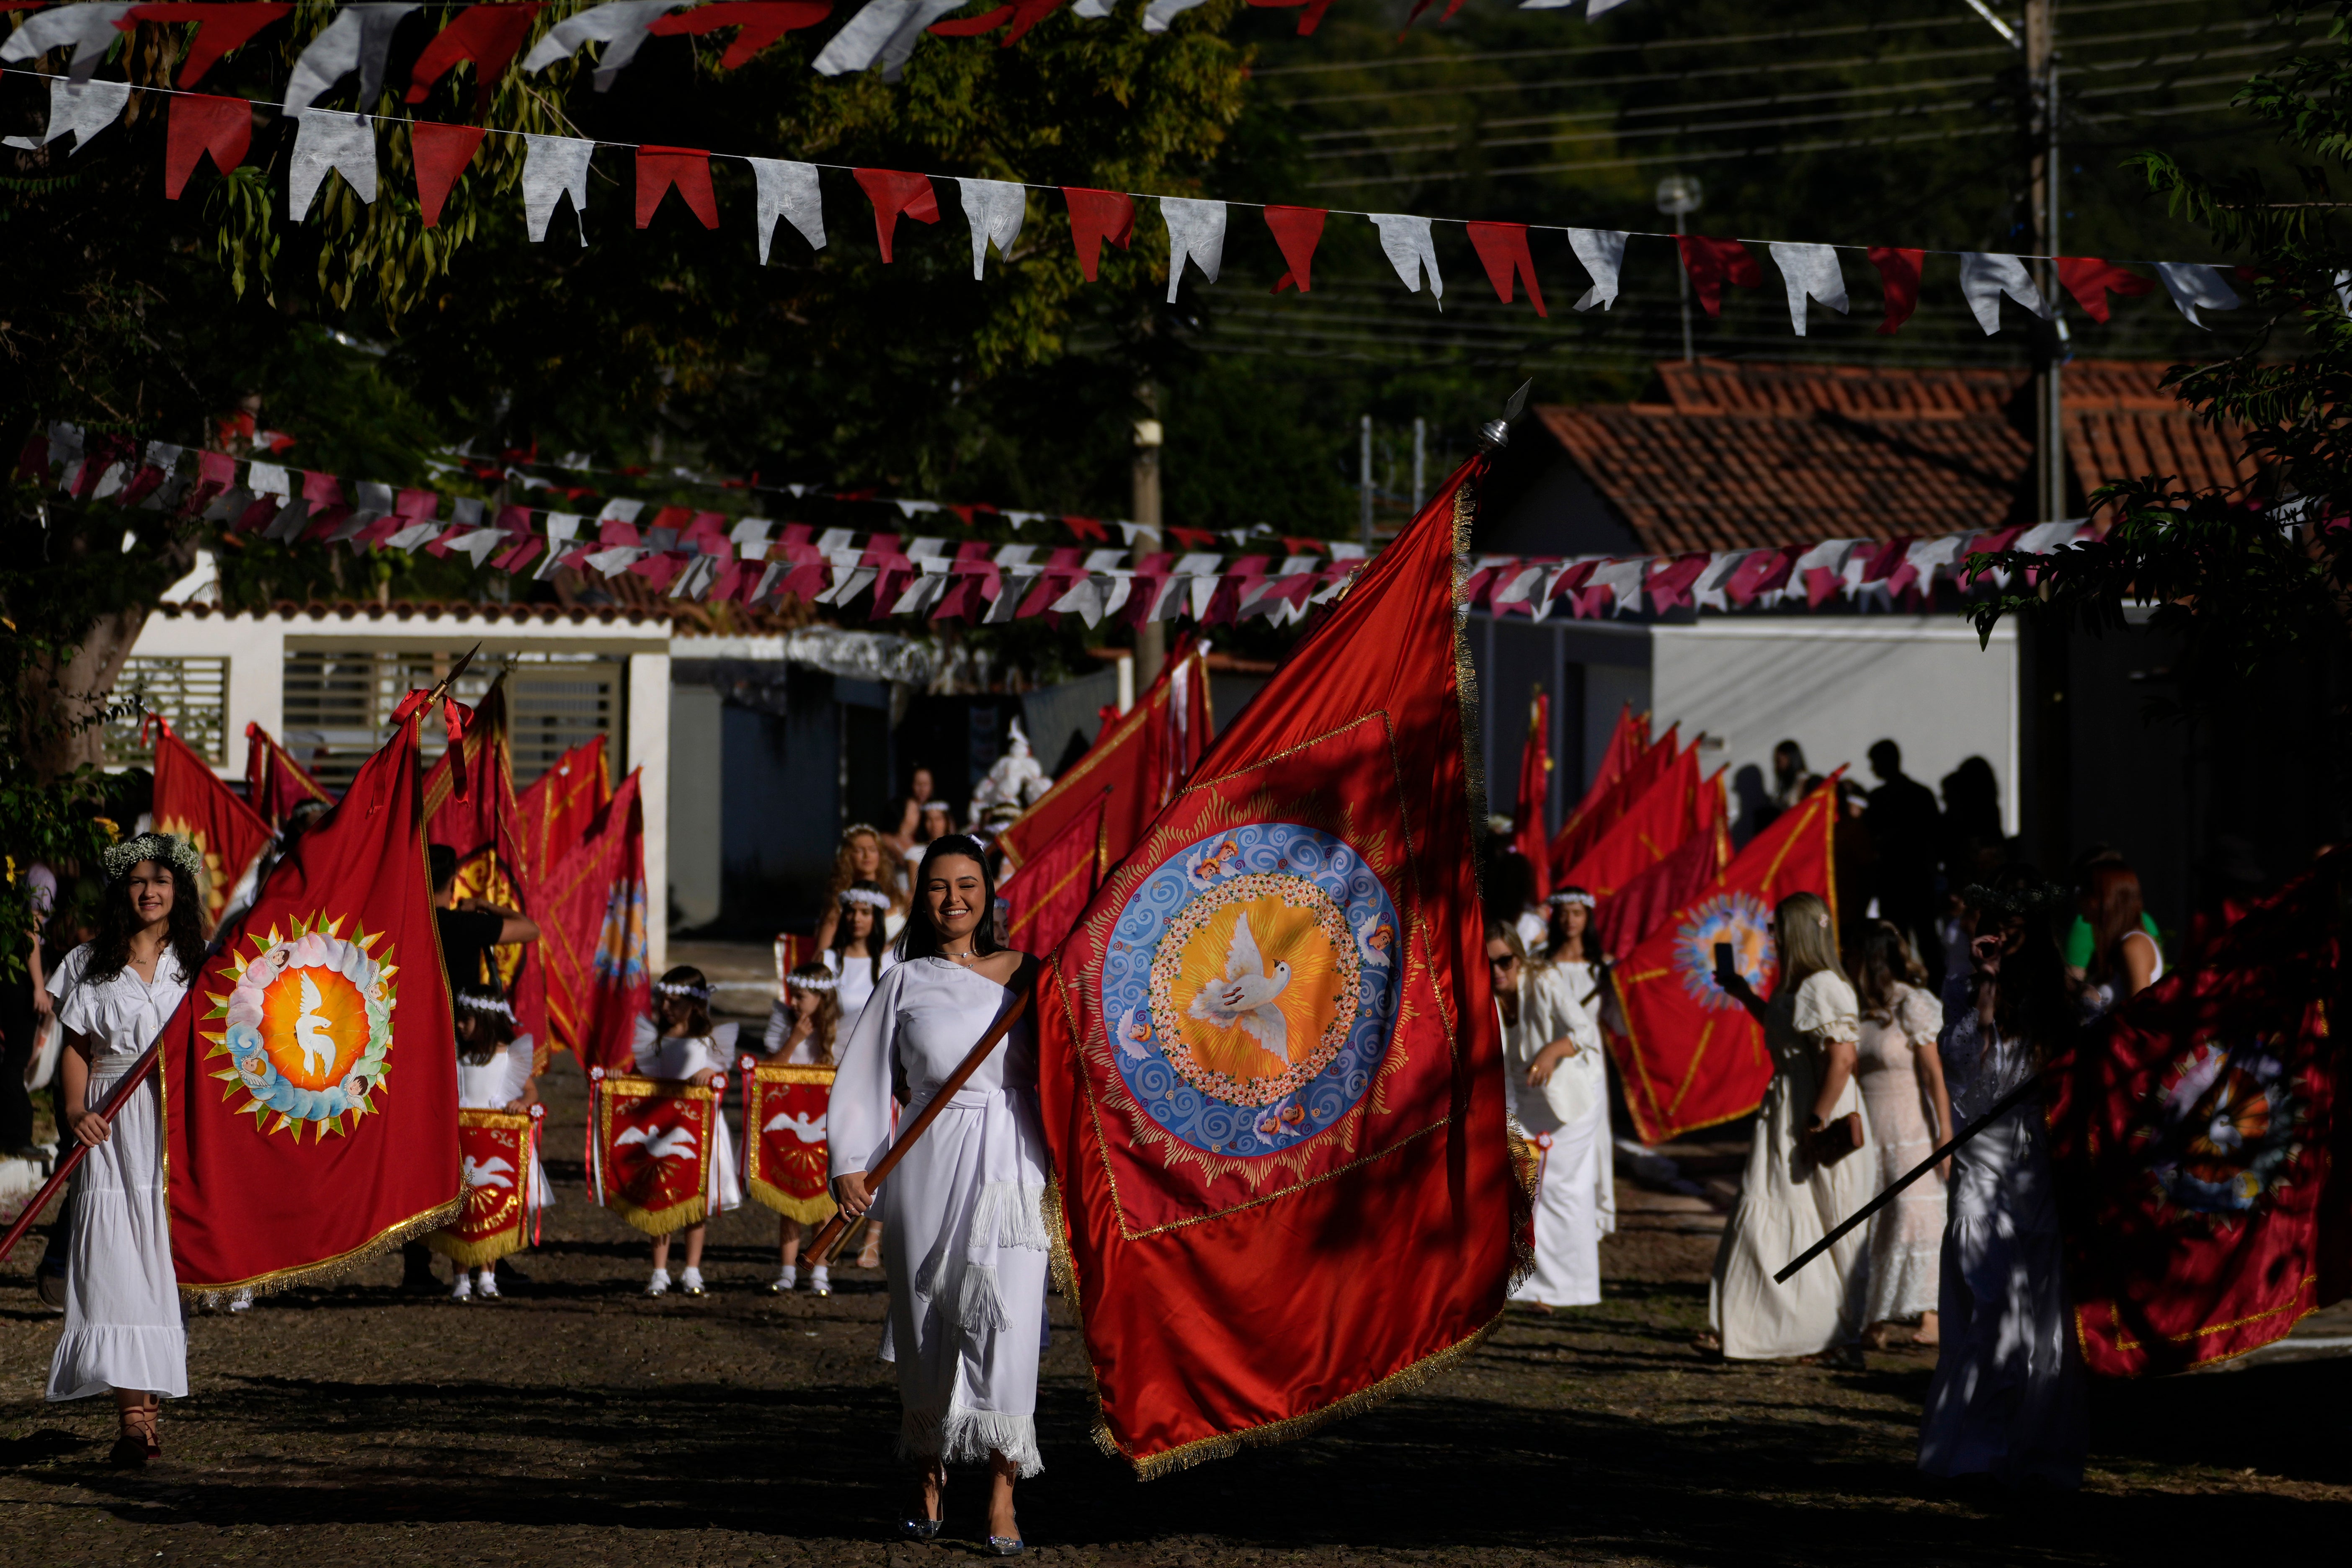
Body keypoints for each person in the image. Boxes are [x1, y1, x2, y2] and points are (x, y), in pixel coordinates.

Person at [830, 835, 1046, 1553]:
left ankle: (1001, 1492)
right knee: (925, 1318)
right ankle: (927, 1472)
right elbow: (861, 1075)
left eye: (967, 883)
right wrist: (849, 1161)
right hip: (926, 1155)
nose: (954, 898)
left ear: (989, 891)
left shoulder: (1028, 974)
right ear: (920, 897)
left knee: (1006, 1323)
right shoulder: (904, 980)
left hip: (1013, 1161)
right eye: (937, 886)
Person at [1919, 869, 2086, 1488]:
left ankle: (2031, 1449)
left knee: (2033, 1307)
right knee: (1988, 1301)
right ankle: (1975, 1452)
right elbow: (1972, 1080)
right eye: (1987, 926)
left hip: (2033, 1164)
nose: (1995, 938)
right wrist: (1986, 992)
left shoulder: (2062, 997)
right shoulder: (1963, 987)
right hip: (1980, 1161)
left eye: (2009, 928)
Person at [49, 834, 206, 1466]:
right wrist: (74, 1110)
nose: (150, 892)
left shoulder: (201, 965)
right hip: (111, 1132)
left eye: (161, 881)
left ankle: (150, 1406)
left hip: (172, 1132)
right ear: (124, 892)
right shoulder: (91, 963)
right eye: (139, 882)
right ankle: (134, 1420)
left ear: (179, 891)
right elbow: (77, 1048)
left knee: (159, 1268)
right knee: (113, 1266)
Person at [1700, 890, 1872, 1363]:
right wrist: (1744, 994)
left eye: (1778, 927)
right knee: (1771, 1210)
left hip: (1816, 1108)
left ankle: (1838, 1334)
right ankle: (1754, 1327)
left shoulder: (1824, 986)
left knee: (1827, 1217)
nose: (1772, 936)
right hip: (1788, 1106)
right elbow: (1788, 1034)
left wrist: (1815, 1120)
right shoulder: (1796, 986)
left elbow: (1843, 1059)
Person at [408, 843, 542, 1293]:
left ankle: (419, 1264)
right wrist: (484, 906)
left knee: (429, 1156)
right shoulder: (463, 923)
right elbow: (529, 930)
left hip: (418, 1048)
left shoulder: (410, 922)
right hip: (469, 1042)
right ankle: (491, 1252)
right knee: (484, 1146)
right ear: (454, 881)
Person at [1489, 923, 1609, 1311]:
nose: (1497, 971)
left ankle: (1568, 1287)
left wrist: (1552, 1052)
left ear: (1519, 958)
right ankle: (1528, 1283)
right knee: (1520, 1185)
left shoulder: (1545, 981)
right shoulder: (1482, 994)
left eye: (1505, 960)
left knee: (1559, 1189)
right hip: (1520, 1099)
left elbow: (1583, 1031)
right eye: (1488, 963)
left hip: (1567, 1100)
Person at [1851, 921, 1950, 1349]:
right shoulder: (1858, 1008)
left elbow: (1934, 1072)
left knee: (1915, 1215)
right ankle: (1872, 1316)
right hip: (1871, 1129)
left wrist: (1946, 1133)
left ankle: (1931, 1314)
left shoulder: (1915, 1004)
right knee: (1875, 1219)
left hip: (1911, 1126)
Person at [633, 966, 745, 1297]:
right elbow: (639, 1077)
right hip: (662, 1133)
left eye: (674, 1001)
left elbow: (722, 1077)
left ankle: (693, 1269)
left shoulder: (710, 1042)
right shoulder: (654, 1041)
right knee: (661, 1199)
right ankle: (659, 1270)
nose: (666, 1007)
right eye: (663, 1000)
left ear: (695, 1005)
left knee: (696, 1200)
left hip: (699, 1133)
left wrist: (710, 1072)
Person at [446, 982, 549, 1303]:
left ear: (487, 1020)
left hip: (497, 1144)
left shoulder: (508, 1058)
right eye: (460, 1019)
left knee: (493, 1207)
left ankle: (489, 1274)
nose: (460, 1025)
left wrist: (522, 1103)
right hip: (464, 1144)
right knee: (462, 1211)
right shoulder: (458, 1058)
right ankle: (461, 1275)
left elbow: (530, 1091)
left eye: (467, 1020)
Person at [825, 879, 898, 1269]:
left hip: (879, 1069)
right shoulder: (828, 960)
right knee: (843, 1147)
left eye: (865, 911)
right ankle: (835, 1229)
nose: (857, 919)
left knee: (880, 1149)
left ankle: (872, 1237)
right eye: (851, 911)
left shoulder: (890, 964)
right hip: (835, 1067)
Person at [761, 961, 842, 1295]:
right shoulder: (785, 1027)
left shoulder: (843, 1031)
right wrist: (794, 1040)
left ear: (822, 998)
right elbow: (769, 1073)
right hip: (791, 1128)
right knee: (790, 1202)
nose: (794, 1002)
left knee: (824, 1205)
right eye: (793, 996)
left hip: (828, 1128)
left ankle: (820, 1270)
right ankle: (787, 1271)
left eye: (802, 996)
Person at [1540, 885, 1616, 1238]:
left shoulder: (1603, 968)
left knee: (1587, 1140)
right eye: (1564, 913)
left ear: (1588, 918)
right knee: (1551, 1139)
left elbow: (1618, 1023)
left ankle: (1584, 1221)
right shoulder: (1540, 962)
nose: (1570, 920)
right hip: (1550, 1060)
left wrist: (1617, 991)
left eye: (1578, 913)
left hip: (1590, 1064)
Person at [1863, 741, 1945, 988]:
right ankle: (1928, 989)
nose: (1873, 768)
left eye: (1876, 762)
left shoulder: (1883, 798)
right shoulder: (1920, 794)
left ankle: (1913, 987)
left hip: (1903, 880)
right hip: (1911, 880)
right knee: (1919, 940)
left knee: (1913, 940)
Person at [815, 825, 908, 949]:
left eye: (872, 850)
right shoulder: (839, 903)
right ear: (847, 856)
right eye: (859, 850)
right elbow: (823, 952)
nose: (867, 855)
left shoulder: (900, 896)